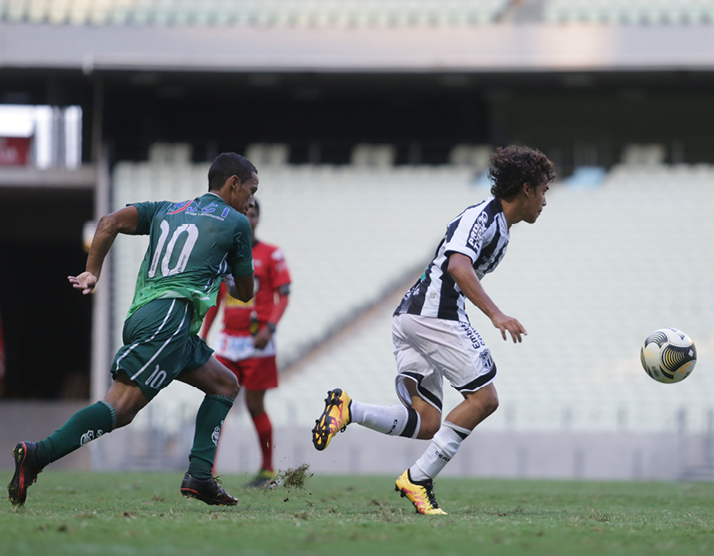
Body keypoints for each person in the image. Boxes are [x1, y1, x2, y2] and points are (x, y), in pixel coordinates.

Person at [311, 145, 553, 514]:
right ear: (526, 188)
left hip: (411, 317)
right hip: (434, 316)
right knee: (485, 399)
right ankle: (418, 479)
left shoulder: (500, 227)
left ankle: (349, 409)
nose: (545, 202)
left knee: (427, 423)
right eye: (543, 191)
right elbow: (457, 266)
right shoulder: (483, 218)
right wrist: (496, 314)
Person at [8, 153, 258, 507]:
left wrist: (91, 270)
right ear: (233, 183)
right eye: (251, 190)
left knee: (224, 384)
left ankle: (200, 476)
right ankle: (37, 454)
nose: (251, 200)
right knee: (121, 408)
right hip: (171, 318)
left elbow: (109, 222)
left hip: (149, 314)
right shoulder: (236, 222)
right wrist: (231, 276)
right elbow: (246, 293)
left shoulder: (166, 209)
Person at [202, 199, 291, 487]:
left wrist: (270, 328)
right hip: (229, 341)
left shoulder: (272, 254)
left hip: (258, 343)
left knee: (255, 406)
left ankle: (267, 471)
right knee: (217, 402)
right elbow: (217, 298)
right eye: (244, 214)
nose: (248, 219)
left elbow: (284, 295)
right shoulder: (226, 255)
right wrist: (204, 333)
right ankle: (206, 470)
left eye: (252, 215)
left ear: (258, 219)